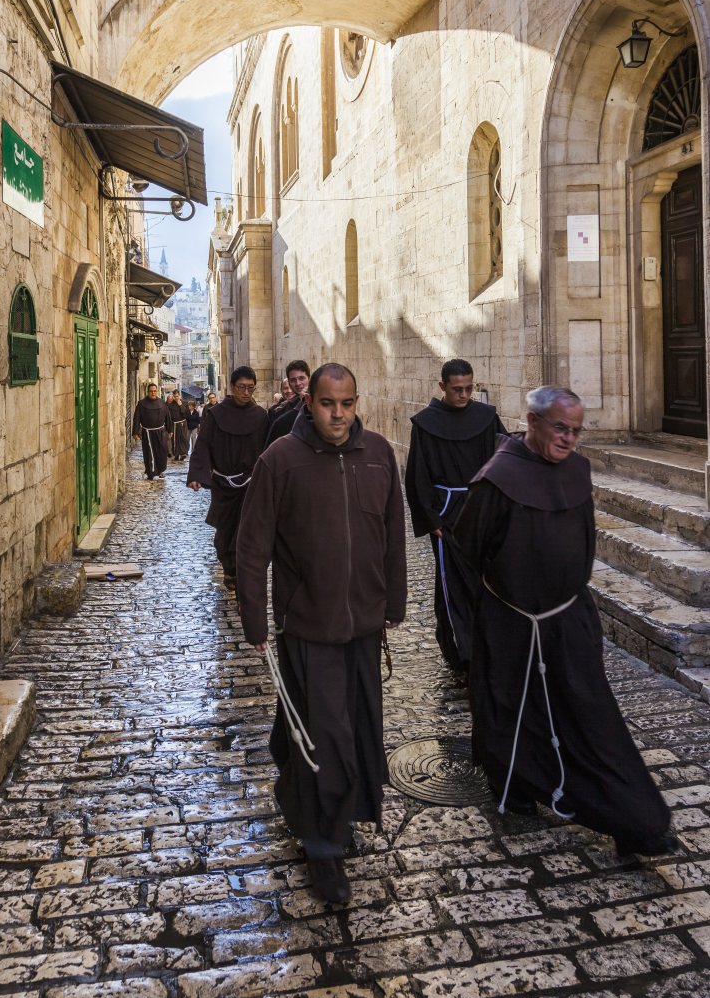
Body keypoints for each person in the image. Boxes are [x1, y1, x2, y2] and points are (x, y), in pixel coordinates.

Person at [453, 385, 674, 856]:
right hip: (512, 622)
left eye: (576, 430)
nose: (569, 439)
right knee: (509, 705)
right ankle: (515, 783)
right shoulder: (497, 478)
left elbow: (584, 539)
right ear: (532, 422)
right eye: (560, 428)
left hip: (569, 620)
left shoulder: (577, 470)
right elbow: (469, 548)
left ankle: (634, 819)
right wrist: (506, 603)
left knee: (590, 715)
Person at [237, 363, 407, 903]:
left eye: (348, 404)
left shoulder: (379, 454)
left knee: (356, 731)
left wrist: (394, 604)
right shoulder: (279, 460)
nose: (338, 415)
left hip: (363, 624)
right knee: (324, 737)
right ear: (309, 401)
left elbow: (394, 535)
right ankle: (324, 849)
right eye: (328, 403)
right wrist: (255, 620)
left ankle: (330, 812)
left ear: (358, 402)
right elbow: (252, 547)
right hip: (307, 626)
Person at [404, 358, 505, 673]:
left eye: (468, 388)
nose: (464, 395)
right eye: (457, 389)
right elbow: (416, 474)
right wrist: (430, 519)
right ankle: (460, 651)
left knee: (485, 581)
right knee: (452, 583)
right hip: (447, 515)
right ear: (442, 387)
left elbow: (504, 457)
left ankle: (488, 645)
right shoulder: (426, 423)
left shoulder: (486, 418)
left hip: (482, 512)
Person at [187, 367, 269, 589]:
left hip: (250, 484)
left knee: (246, 529)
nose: (246, 392)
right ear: (233, 387)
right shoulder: (215, 414)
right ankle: (229, 568)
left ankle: (241, 570)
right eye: (242, 387)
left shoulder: (261, 417)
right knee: (225, 530)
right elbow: (203, 444)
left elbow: (268, 450)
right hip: (223, 484)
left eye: (250, 388)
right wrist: (196, 474)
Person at [132, 382, 173, 480]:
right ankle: (151, 472)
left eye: (154, 391)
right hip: (147, 432)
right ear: (147, 392)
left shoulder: (162, 403)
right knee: (149, 452)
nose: (153, 393)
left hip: (161, 432)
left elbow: (167, 417)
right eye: (151, 391)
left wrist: (170, 429)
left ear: (157, 392)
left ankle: (159, 470)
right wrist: (135, 432)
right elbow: (136, 418)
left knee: (162, 452)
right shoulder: (141, 404)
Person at [265, 360, 310, 446]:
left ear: (309, 378)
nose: (298, 383)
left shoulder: (321, 404)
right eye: (293, 380)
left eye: (301, 378)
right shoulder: (280, 411)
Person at [168, 390, 188, 460]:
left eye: (177, 396)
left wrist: (181, 405)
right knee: (175, 440)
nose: (176, 398)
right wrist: (169, 428)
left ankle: (183, 454)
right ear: (173, 396)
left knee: (183, 439)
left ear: (179, 396)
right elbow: (169, 417)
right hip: (174, 425)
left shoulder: (185, 403)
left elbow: (186, 414)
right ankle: (176, 454)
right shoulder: (170, 405)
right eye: (174, 396)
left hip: (182, 424)